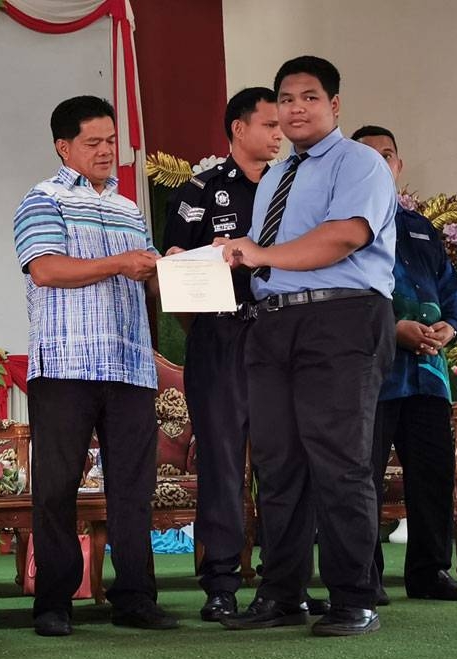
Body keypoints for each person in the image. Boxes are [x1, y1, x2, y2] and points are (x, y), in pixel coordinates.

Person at [216, 56, 397, 637]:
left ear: (334, 105)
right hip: (272, 324)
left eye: (309, 97)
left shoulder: (361, 162)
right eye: (286, 99)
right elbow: (259, 251)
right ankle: (282, 593)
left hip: (341, 319)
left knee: (340, 463)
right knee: (277, 465)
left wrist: (259, 254)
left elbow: (345, 235)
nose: (296, 108)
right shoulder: (274, 174)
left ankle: (353, 597)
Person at [13, 95, 177, 637]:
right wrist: (121, 263)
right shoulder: (42, 200)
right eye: (94, 142)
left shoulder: (130, 208)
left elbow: (147, 276)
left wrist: (167, 268)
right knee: (57, 486)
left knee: (134, 487)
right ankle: (54, 601)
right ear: (65, 147)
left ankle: (135, 597)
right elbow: (45, 269)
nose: (107, 150)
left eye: (111, 140)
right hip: (66, 362)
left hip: (130, 364)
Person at [351, 124, 457, 604]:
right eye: (368, 156)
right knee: (361, 477)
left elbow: (451, 296)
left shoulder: (420, 228)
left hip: (428, 377)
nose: (380, 163)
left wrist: (449, 327)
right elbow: (342, 302)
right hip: (371, 376)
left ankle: (429, 574)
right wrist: (394, 331)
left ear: (397, 165)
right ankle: (362, 579)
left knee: (432, 475)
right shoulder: (346, 227)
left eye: (387, 155)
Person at [162, 87, 281, 622]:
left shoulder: (294, 185)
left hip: (284, 339)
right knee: (223, 463)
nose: (279, 134)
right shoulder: (203, 188)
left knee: (285, 461)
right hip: (221, 338)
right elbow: (176, 265)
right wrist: (211, 326)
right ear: (238, 129)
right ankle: (222, 584)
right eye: (269, 125)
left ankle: (284, 578)